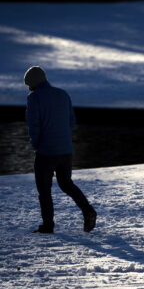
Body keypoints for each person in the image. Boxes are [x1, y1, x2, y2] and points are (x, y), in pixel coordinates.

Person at [25, 66, 96, 234]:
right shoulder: (63, 94)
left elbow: (34, 126)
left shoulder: (34, 98)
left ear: (33, 83)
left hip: (46, 152)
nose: (29, 88)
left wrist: (36, 145)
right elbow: (72, 122)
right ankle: (88, 210)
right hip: (65, 151)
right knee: (66, 184)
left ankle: (48, 226)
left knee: (44, 190)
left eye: (29, 84)